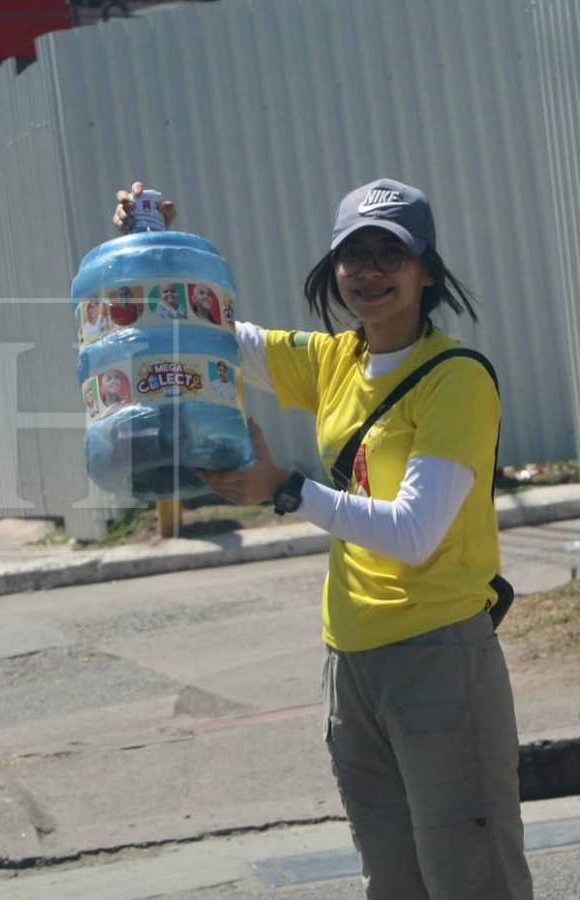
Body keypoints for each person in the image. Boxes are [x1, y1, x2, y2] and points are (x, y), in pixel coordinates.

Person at [115, 179, 531, 899]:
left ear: (425, 271)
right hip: (352, 658)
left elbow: (415, 531)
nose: (368, 272)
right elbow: (206, 331)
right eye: (353, 255)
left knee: (473, 880)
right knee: (394, 881)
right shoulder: (336, 359)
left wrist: (287, 488)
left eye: (389, 255)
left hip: (439, 658)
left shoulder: (455, 379)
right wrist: (150, 245)